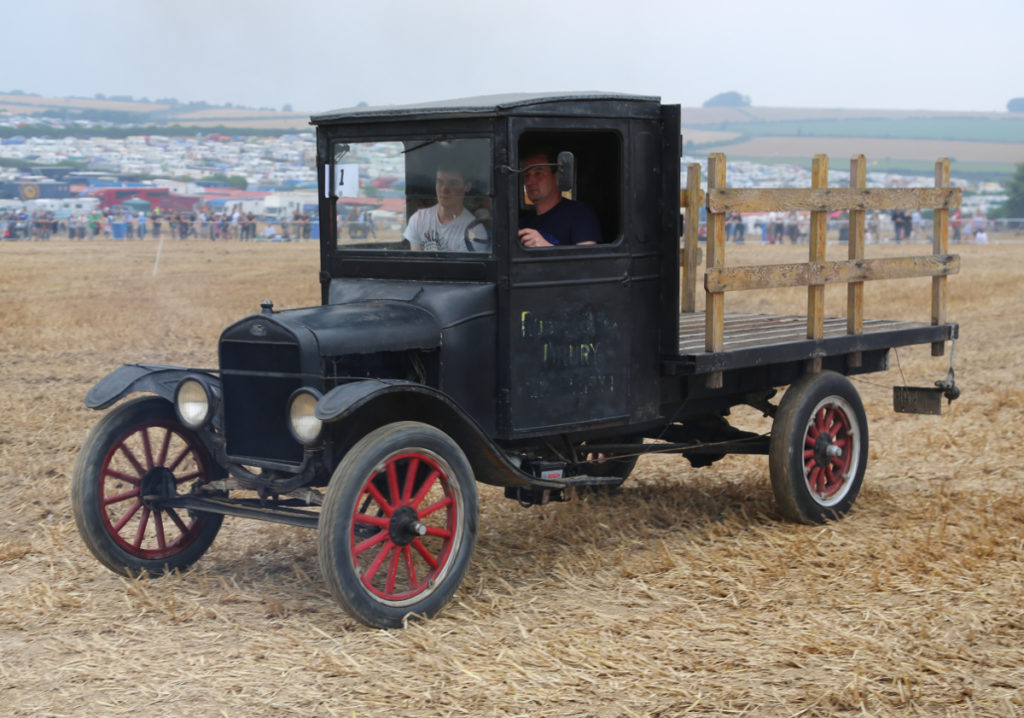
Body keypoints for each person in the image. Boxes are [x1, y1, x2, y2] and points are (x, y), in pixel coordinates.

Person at [518, 149, 600, 247]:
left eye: (538, 173)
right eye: (526, 175)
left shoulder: (579, 214)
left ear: (557, 177)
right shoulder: (524, 223)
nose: (529, 182)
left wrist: (547, 249)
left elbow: (588, 260)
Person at [403, 162, 489, 252]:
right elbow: (416, 262)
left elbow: (464, 266)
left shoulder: (475, 231)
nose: (444, 189)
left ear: (467, 187)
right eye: (440, 182)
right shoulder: (418, 219)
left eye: (453, 183)